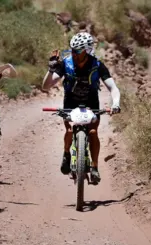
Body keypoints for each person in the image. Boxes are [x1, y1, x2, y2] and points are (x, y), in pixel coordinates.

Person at [42, 32, 121, 185]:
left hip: (92, 104)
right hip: (70, 104)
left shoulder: (97, 65)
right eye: (72, 49)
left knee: (92, 132)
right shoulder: (66, 63)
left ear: (87, 50)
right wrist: (51, 70)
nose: (73, 53)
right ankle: (66, 154)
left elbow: (113, 88)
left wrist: (116, 103)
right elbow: (46, 86)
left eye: (77, 50)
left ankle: (95, 167)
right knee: (70, 130)